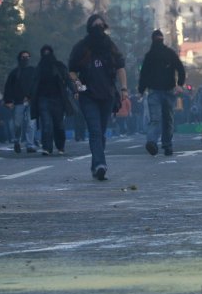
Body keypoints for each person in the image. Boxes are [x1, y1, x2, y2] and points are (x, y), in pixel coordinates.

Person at [68, 14, 128, 181]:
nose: (99, 28)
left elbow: (120, 67)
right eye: (96, 25)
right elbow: (71, 70)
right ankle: (100, 165)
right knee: (94, 131)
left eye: (101, 25)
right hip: (88, 96)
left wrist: (124, 89)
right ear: (89, 27)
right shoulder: (82, 47)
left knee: (101, 132)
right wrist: (79, 86)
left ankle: (96, 166)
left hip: (107, 95)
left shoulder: (110, 46)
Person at [137, 29, 186, 156]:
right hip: (167, 91)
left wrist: (141, 91)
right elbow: (180, 68)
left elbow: (144, 75)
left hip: (155, 92)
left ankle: (153, 142)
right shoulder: (169, 53)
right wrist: (180, 84)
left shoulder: (149, 55)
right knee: (167, 119)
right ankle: (166, 145)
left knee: (156, 119)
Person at [30, 45, 76, 156]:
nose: (46, 54)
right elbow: (33, 85)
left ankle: (60, 146)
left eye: (48, 52)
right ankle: (47, 148)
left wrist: (74, 91)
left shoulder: (59, 66)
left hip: (58, 99)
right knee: (46, 124)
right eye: (44, 52)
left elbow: (68, 79)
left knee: (58, 124)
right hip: (43, 99)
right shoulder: (39, 68)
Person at [3, 50, 37, 154]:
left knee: (31, 124)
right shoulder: (14, 72)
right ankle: (16, 141)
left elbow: (37, 85)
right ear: (20, 58)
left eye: (27, 57)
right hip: (18, 102)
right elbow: (8, 87)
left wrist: (33, 96)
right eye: (23, 57)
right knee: (17, 124)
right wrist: (8, 101)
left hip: (31, 101)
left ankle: (30, 145)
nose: (26, 59)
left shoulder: (33, 70)